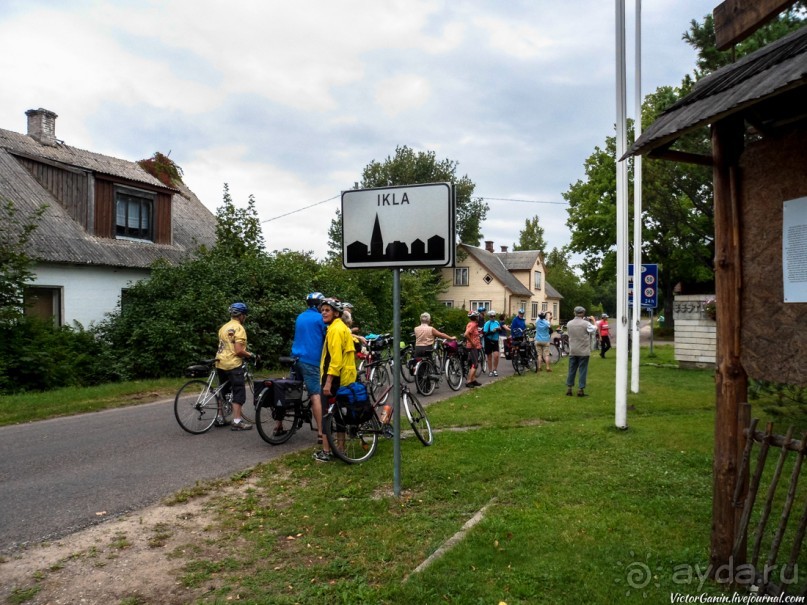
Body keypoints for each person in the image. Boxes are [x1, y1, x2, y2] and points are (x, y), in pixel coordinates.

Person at [315, 298, 357, 462]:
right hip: (344, 376)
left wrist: (328, 382)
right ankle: (340, 448)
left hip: (334, 377)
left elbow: (336, 360)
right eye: (322, 310)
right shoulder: (341, 327)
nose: (324, 312)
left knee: (327, 414)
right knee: (339, 414)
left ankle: (326, 451)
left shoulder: (335, 330)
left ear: (336, 313)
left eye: (327, 310)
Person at [290, 292, 327, 444]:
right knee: (315, 394)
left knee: (290, 391)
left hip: (295, 358)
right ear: (319, 305)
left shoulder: (300, 317)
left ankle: (279, 425)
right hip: (311, 361)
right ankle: (320, 432)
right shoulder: (320, 319)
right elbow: (328, 337)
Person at [215, 302, 257, 431]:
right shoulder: (239, 328)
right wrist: (250, 355)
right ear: (242, 315)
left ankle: (220, 418)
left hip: (220, 362)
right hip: (233, 364)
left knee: (223, 391)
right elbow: (238, 350)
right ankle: (237, 421)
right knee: (238, 391)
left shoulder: (223, 327)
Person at [565, 306, 597, 397]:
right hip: (583, 351)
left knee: (571, 370)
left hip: (573, 350)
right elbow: (594, 329)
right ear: (583, 313)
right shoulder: (586, 324)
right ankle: (580, 389)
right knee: (582, 370)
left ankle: (569, 388)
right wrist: (594, 321)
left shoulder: (569, 323)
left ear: (574, 313)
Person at [482, 310, 509, 377]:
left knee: (496, 356)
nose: (493, 317)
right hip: (488, 341)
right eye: (491, 316)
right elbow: (485, 334)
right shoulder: (487, 323)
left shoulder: (497, 322)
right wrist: (492, 331)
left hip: (495, 341)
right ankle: (490, 371)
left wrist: (499, 329)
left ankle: (495, 370)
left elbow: (500, 332)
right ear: (489, 317)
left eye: (494, 316)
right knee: (489, 357)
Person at [464, 311, 482, 388]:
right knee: (475, 364)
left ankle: (473, 380)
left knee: (472, 364)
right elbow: (466, 334)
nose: (478, 318)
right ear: (475, 317)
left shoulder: (471, 324)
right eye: (477, 317)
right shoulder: (473, 325)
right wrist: (472, 343)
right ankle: (468, 381)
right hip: (473, 347)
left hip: (475, 346)